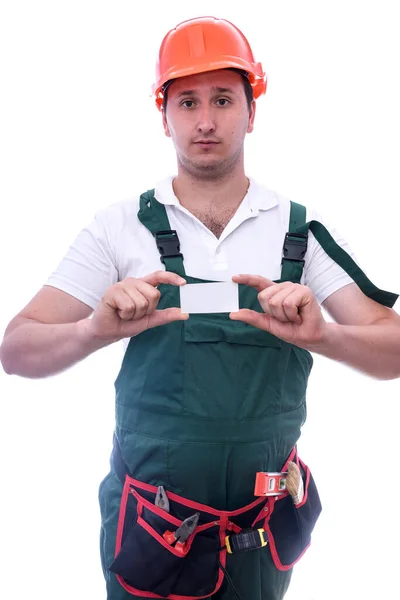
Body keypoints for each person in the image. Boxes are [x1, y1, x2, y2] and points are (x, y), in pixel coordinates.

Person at [1, 15, 399, 600]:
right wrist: (94, 329)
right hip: (150, 531)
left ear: (252, 111)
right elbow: (16, 350)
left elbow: (392, 350)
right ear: (164, 116)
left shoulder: (300, 233)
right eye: (187, 102)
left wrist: (323, 336)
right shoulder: (120, 228)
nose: (206, 121)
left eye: (223, 100)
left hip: (261, 533)